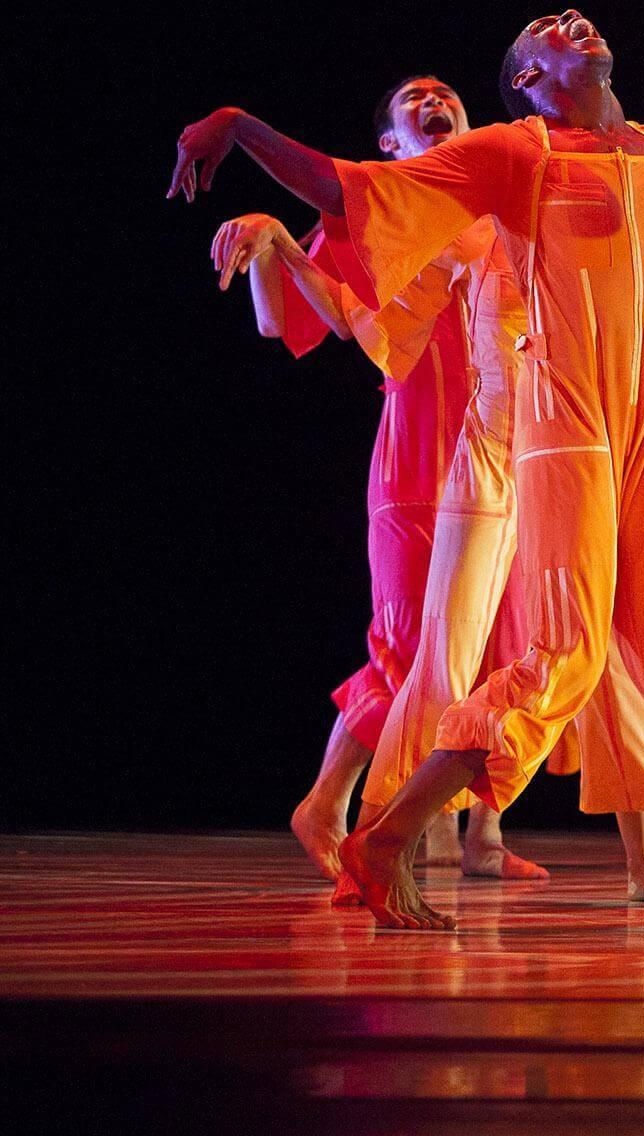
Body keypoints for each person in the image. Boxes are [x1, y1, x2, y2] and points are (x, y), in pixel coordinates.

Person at [170, 9, 644, 928]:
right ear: (525, 79)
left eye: (576, 17)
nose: (572, 22)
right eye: (547, 28)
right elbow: (351, 190)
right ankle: (386, 838)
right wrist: (239, 126)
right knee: (560, 653)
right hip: (559, 426)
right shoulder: (515, 152)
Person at [206, 75, 482, 882]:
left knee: (485, 645)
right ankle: (330, 804)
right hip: (420, 446)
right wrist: (271, 241)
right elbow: (280, 319)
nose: (435, 96)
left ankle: (449, 829)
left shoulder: (495, 198)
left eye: (446, 90)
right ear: (390, 146)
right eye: (414, 98)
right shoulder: (377, 211)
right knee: (406, 644)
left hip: (501, 445)